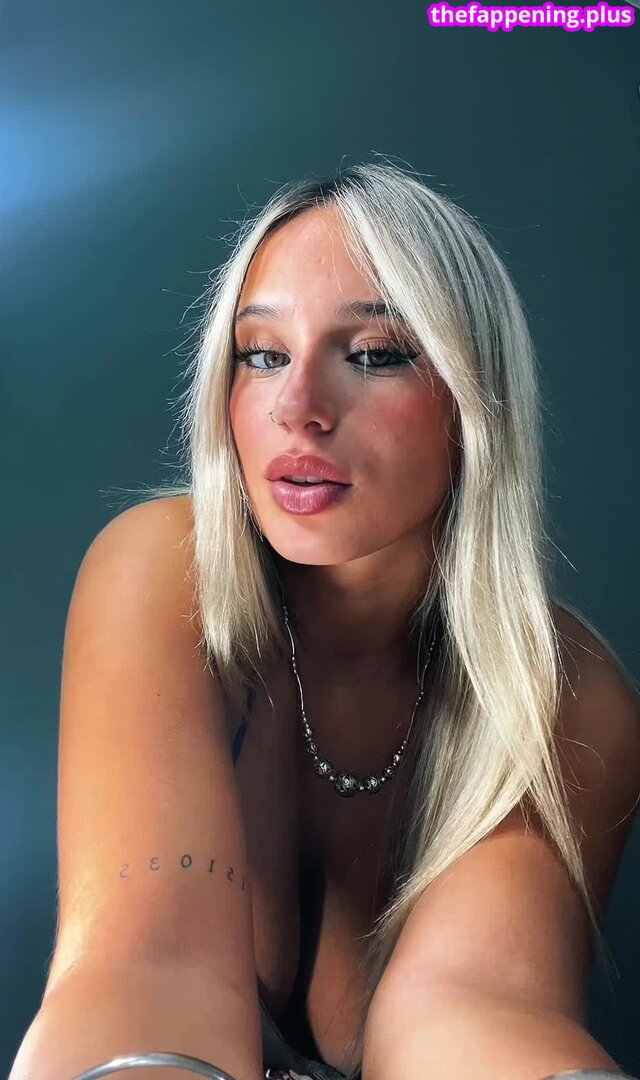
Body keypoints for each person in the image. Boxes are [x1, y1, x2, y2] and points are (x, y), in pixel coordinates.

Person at [14, 160, 640, 1080]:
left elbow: (477, 1007)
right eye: (262, 355)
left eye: (375, 355)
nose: (297, 408)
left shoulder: (565, 692)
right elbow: (146, 964)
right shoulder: (162, 573)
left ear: (476, 401)